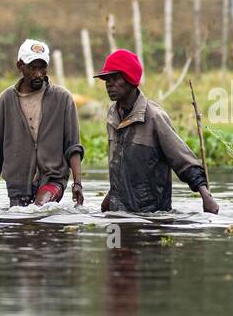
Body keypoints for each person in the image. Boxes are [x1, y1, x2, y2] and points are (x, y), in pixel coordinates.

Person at [94, 49, 220, 215]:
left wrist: (206, 196)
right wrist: (111, 196)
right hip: (120, 212)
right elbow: (121, 165)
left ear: (130, 79)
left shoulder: (154, 117)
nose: (109, 84)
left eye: (115, 78)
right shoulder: (112, 116)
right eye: (106, 79)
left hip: (151, 213)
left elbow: (182, 159)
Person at [0, 38, 84, 208]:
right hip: (18, 184)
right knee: (22, 225)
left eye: (42, 68)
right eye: (32, 68)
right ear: (20, 65)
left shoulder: (62, 99)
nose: (38, 74)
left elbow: (73, 146)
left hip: (53, 178)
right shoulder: (7, 100)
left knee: (39, 207)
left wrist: (77, 183)